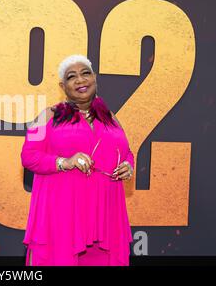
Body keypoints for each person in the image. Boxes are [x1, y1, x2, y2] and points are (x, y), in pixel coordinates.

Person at [21, 54, 134, 266]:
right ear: (63, 86)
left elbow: (127, 152)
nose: (80, 80)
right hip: (63, 215)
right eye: (72, 77)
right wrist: (65, 162)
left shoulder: (111, 117)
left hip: (105, 218)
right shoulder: (47, 115)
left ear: (95, 78)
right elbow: (28, 156)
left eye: (85, 73)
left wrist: (128, 165)